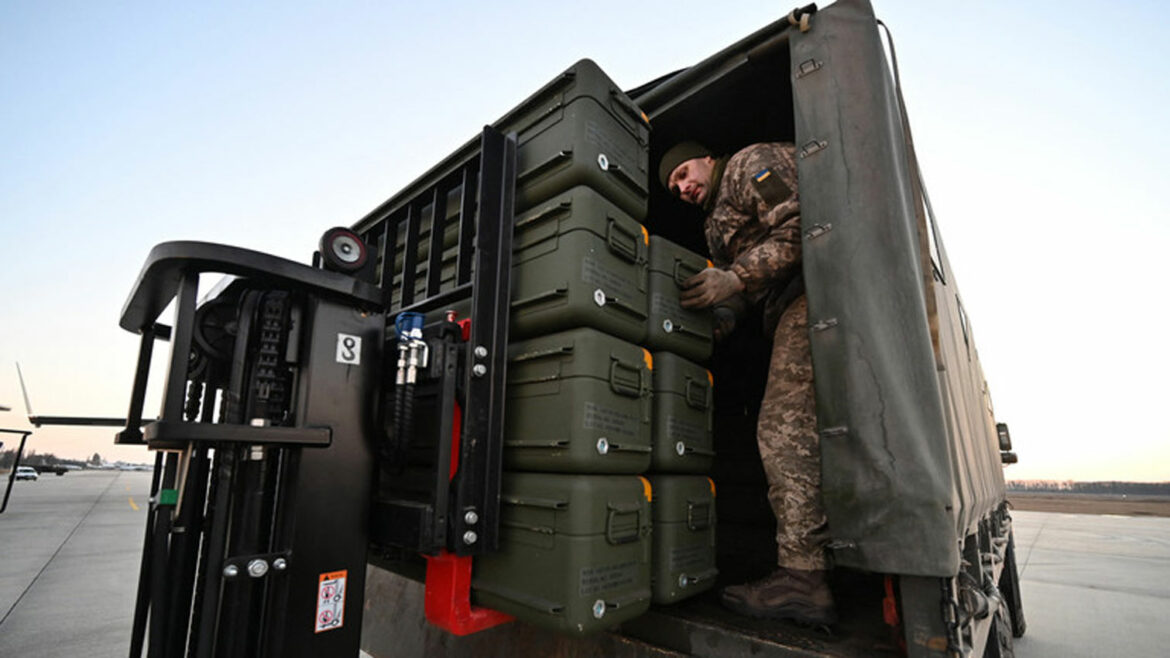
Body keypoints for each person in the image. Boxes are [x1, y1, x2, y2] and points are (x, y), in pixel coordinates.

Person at [660, 141, 835, 625]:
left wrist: (733, 278)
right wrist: (720, 319)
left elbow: (805, 226)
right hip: (783, 307)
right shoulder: (714, 227)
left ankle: (803, 579)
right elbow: (739, 292)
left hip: (817, 290)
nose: (682, 186)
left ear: (707, 159)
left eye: (684, 172)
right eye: (674, 185)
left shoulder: (747, 165)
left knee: (781, 431)